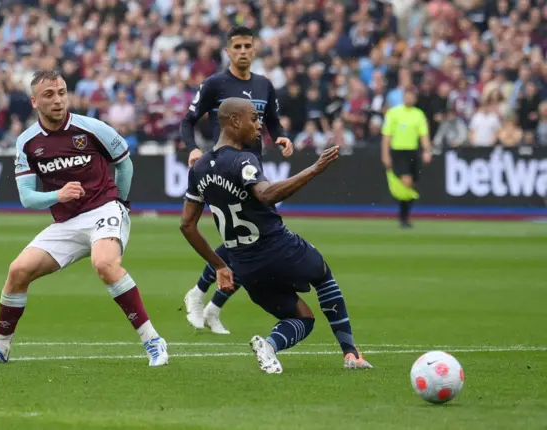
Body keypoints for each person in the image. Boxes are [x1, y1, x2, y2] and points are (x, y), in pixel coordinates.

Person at [0, 70, 168, 367]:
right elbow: (27, 197)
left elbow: (124, 165)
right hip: (67, 222)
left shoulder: (93, 128)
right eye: (49, 94)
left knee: (104, 264)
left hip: (104, 209)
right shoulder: (27, 142)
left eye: (62, 92)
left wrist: (121, 205)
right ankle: (1, 348)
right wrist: (57, 196)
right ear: (35, 102)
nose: (58, 99)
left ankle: (153, 340)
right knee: (18, 271)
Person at [180, 98, 372, 374]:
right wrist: (314, 169)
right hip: (279, 248)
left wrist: (220, 265)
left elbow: (187, 225)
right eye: (253, 119)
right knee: (322, 275)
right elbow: (266, 194)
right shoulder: (244, 159)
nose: (259, 127)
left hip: (244, 266)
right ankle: (351, 353)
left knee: (302, 318)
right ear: (235, 122)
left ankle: (268, 347)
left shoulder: (198, 169)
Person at [180, 25, 294, 334]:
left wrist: (281, 138)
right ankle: (204, 298)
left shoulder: (265, 85)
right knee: (248, 240)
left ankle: (209, 303)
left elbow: (272, 121)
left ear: (255, 50)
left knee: (247, 240)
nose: (243, 51)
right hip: (223, 169)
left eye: (247, 45)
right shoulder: (215, 84)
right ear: (228, 51)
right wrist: (192, 149)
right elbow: (188, 121)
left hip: (251, 170)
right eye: (237, 46)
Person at [381, 89, 433, 228]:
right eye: (406, 96)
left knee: (412, 184)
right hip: (398, 151)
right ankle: (403, 217)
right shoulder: (394, 113)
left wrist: (427, 150)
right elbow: (387, 136)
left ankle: (404, 216)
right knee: (407, 182)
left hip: (413, 152)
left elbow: (423, 135)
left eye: (411, 96)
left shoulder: (418, 114)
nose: (409, 98)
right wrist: (385, 154)